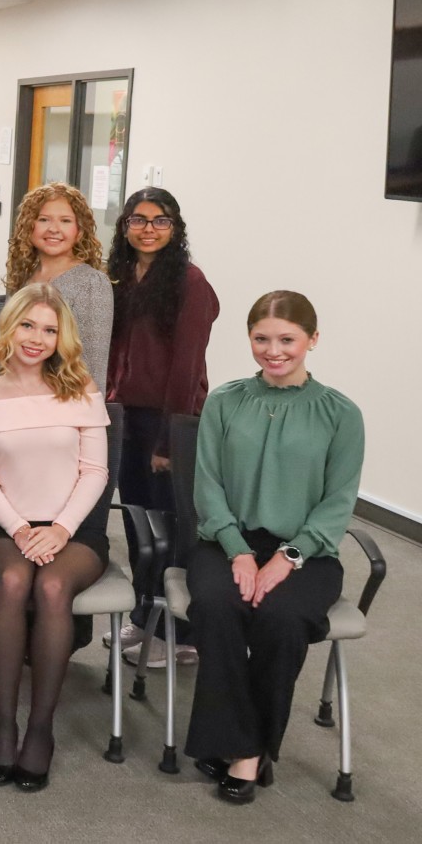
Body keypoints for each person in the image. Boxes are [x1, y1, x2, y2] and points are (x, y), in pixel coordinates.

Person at [185, 291, 360, 805]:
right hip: (226, 540)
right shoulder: (224, 401)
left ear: (312, 339)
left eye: (287, 339)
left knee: (281, 620)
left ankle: (247, 748)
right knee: (216, 607)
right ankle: (244, 746)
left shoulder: (341, 414)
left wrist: (288, 557)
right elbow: (207, 487)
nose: (274, 350)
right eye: (262, 339)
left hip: (308, 551)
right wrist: (239, 551)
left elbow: (338, 501)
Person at [0, 284, 109, 792]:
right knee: (13, 580)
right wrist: (22, 529)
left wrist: (62, 528)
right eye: (29, 325)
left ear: (61, 338)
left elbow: (95, 472)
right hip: (7, 524)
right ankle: (4, 725)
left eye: (50, 330)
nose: (37, 338)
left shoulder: (81, 391)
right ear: (9, 327)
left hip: (76, 525)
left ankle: (40, 730)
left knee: (51, 587)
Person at [104, 187, 219, 668]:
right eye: (139, 219)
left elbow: (187, 369)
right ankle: (144, 614)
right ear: (125, 225)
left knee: (172, 528)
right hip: (125, 416)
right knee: (137, 523)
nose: (148, 229)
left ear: (175, 228)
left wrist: (168, 441)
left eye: (160, 220)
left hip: (168, 421)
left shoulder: (190, 283)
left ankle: (181, 634)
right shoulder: (121, 277)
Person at [4, 182, 112, 390]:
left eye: (65, 221)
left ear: (79, 231)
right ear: (29, 226)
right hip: (12, 399)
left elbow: (93, 368)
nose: (54, 229)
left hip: (61, 405)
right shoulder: (22, 277)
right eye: (44, 219)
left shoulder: (92, 283)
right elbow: (4, 347)